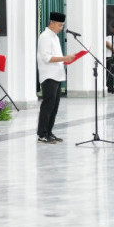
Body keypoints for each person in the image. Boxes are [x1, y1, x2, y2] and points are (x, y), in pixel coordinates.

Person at [37, 12, 75, 143]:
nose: (61, 28)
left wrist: (66, 60)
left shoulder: (55, 37)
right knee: (47, 106)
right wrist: (65, 58)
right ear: (51, 23)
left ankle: (49, 131)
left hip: (57, 75)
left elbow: (56, 57)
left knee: (54, 106)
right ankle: (42, 134)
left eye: (62, 25)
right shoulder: (45, 37)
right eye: (59, 25)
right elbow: (46, 58)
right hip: (49, 76)